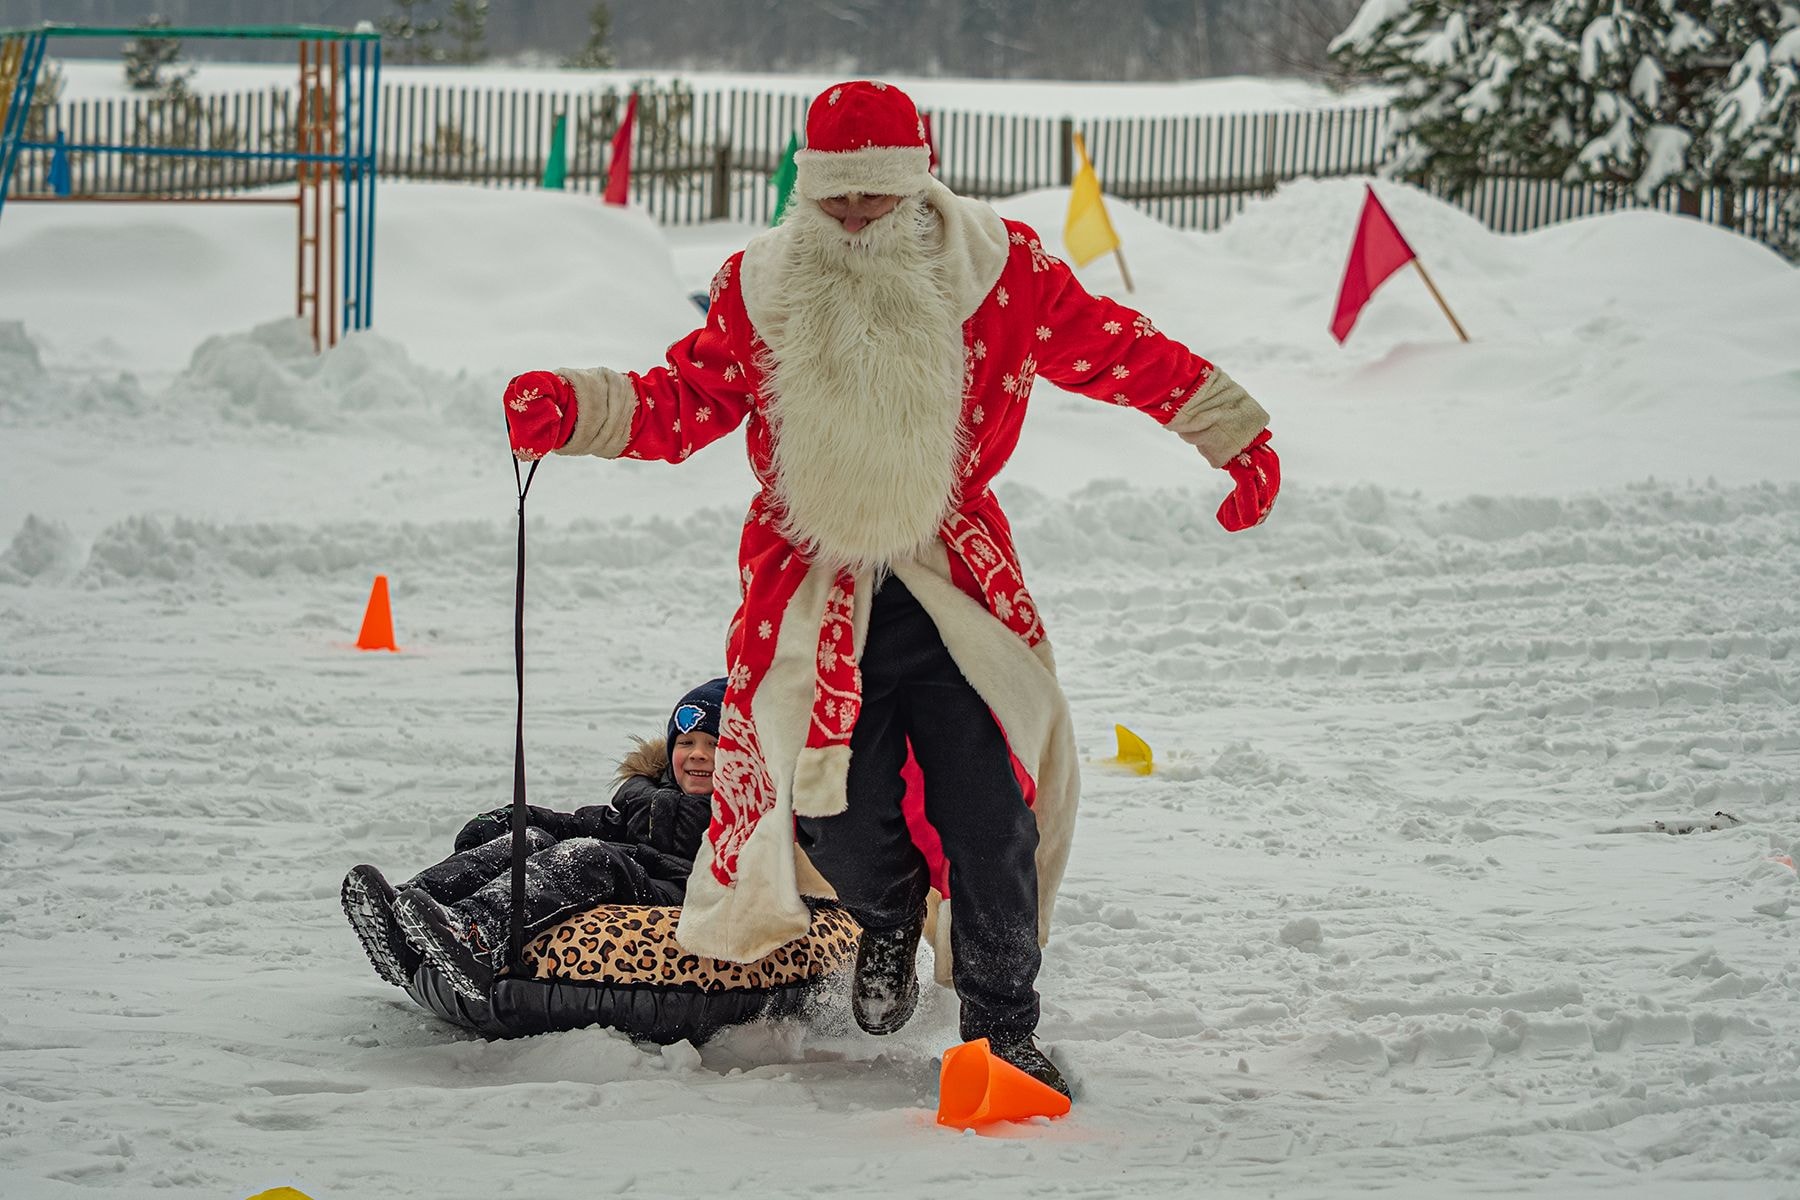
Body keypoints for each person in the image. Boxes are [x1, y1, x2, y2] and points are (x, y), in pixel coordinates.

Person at [499, 81, 1280, 1098]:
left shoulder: (1005, 274)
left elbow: (1120, 351)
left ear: (920, 185)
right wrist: (577, 410)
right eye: (838, 202)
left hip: (955, 588)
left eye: (878, 199)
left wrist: (1235, 432)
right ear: (808, 195)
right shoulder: (759, 287)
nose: (859, 221)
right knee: (832, 815)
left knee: (991, 812)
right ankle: (887, 916)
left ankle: (1005, 1031)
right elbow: (684, 398)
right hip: (814, 595)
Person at [340, 678, 726, 1003]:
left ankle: (477, 937)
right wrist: (515, 818)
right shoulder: (648, 800)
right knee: (532, 839)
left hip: (680, 891)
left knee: (588, 856)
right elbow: (582, 823)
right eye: (686, 743)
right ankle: (405, 914)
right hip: (632, 871)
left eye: (715, 745)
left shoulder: (745, 814)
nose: (698, 755)